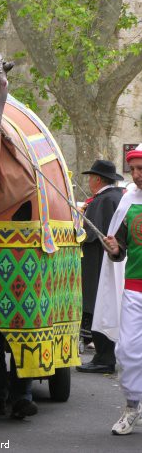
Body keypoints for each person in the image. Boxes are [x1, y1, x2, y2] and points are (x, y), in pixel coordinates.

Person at [100, 144, 142, 435]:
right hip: (135, 290)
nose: (137, 175)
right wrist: (115, 249)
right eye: (134, 169)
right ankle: (132, 406)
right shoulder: (128, 201)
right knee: (127, 350)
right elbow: (121, 249)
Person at [76, 160, 124, 374]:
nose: (89, 181)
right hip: (112, 260)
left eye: (91, 178)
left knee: (99, 307)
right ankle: (105, 355)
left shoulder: (103, 201)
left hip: (98, 262)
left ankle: (103, 357)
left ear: (97, 179)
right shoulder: (116, 198)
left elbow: (90, 234)